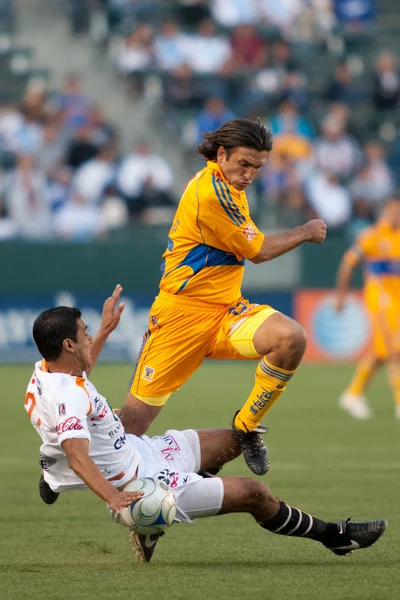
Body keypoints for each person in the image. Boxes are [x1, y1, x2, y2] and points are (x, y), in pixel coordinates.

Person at [25, 287, 387, 564]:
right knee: (254, 493)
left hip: (140, 451)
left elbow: (78, 375)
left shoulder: (47, 370)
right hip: (141, 486)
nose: (90, 337)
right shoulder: (67, 395)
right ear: (70, 343)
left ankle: (68, 483)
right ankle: (334, 536)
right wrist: (115, 498)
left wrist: (103, 330)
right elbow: (76, 453)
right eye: (85, 333)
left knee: (236, 440)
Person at [120, 119, 327, 477]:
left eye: (257, 168)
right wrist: (306, 231)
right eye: (243, 164)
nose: (249, 174)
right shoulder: (211, 193)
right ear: (222, 154)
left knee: (290, 337)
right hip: (180, 318)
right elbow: (258, 250)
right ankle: (60, 463)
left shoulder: (230, 185)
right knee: (127, 432)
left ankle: (246, 427)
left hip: (227, 312)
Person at [335, 196, 400, 419]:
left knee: (382, 352)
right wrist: (341, 296)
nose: (397, 215)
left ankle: (353, 393)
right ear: (385, 211)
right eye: (394, 211)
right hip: (381, 301)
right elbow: (348, 263)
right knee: (394, 350)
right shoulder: (372, 236)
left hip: (397, 302)